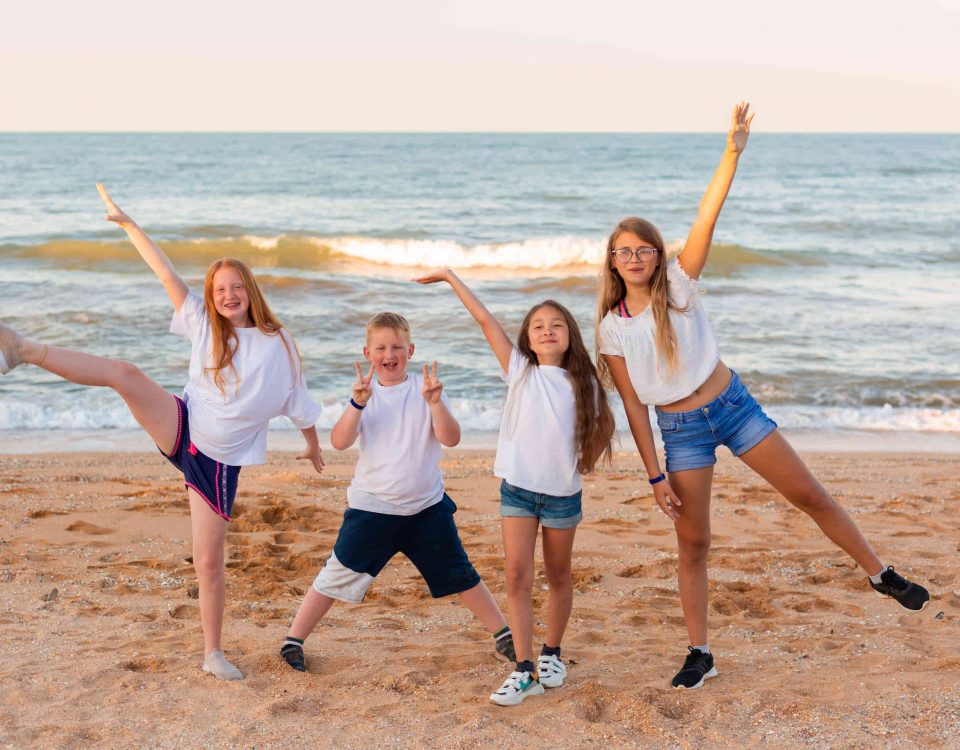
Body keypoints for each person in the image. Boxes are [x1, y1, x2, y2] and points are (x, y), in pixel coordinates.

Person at [596, 103, 930, 690]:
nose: (634, 257)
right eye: (623, 251)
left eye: (643, 248)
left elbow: (708, 214)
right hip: (681, 433)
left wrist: (732, 151)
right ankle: (700, 651)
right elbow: (632, 406)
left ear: (656, 254)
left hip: (733, 406)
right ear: (613, 261)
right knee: (694, 540)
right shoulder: (612, 326)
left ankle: (880, 573)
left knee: (810, 494)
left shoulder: (679, 285)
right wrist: (654, 476)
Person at [0, 185, 326, 681]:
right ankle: (22, 349)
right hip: (183, 425)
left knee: (209, 560)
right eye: (219, 290)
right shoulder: (203, 324)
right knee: (124, 373)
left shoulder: (277, 342)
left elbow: (297, 402)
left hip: (217, 463)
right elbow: (165, 274)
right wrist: (131, 225)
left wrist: (313, 445)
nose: (227, 295)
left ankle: (212, 653)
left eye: (235, 286)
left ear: (250, 290)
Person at [413, 270, 615, 706]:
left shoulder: (586, 383)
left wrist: (587, 459)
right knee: (517, 576)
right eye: (538, 326)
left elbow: (605, 425)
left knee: (559, 575)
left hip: (563, 496)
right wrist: (451, 278)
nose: (547, 331)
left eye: (556, 325)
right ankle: (524, 668)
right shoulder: (520, 371)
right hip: (518, 492)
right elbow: (486, 320)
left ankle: (551, 654)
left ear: (570, 335)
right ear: (527, 337)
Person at [279, 312, 516, 674]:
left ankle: (503, 636)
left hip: (426, 508)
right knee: (336, 572)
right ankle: (294, 640)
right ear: (367, 352)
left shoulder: (427, 392)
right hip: (373, 508)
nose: (389, 354)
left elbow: (450, 438)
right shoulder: (363, 395)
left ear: (411, 350)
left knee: (461, 573)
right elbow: (340, 442)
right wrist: (357, 403)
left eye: (397, 347)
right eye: (381, 348)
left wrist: (435, 402)